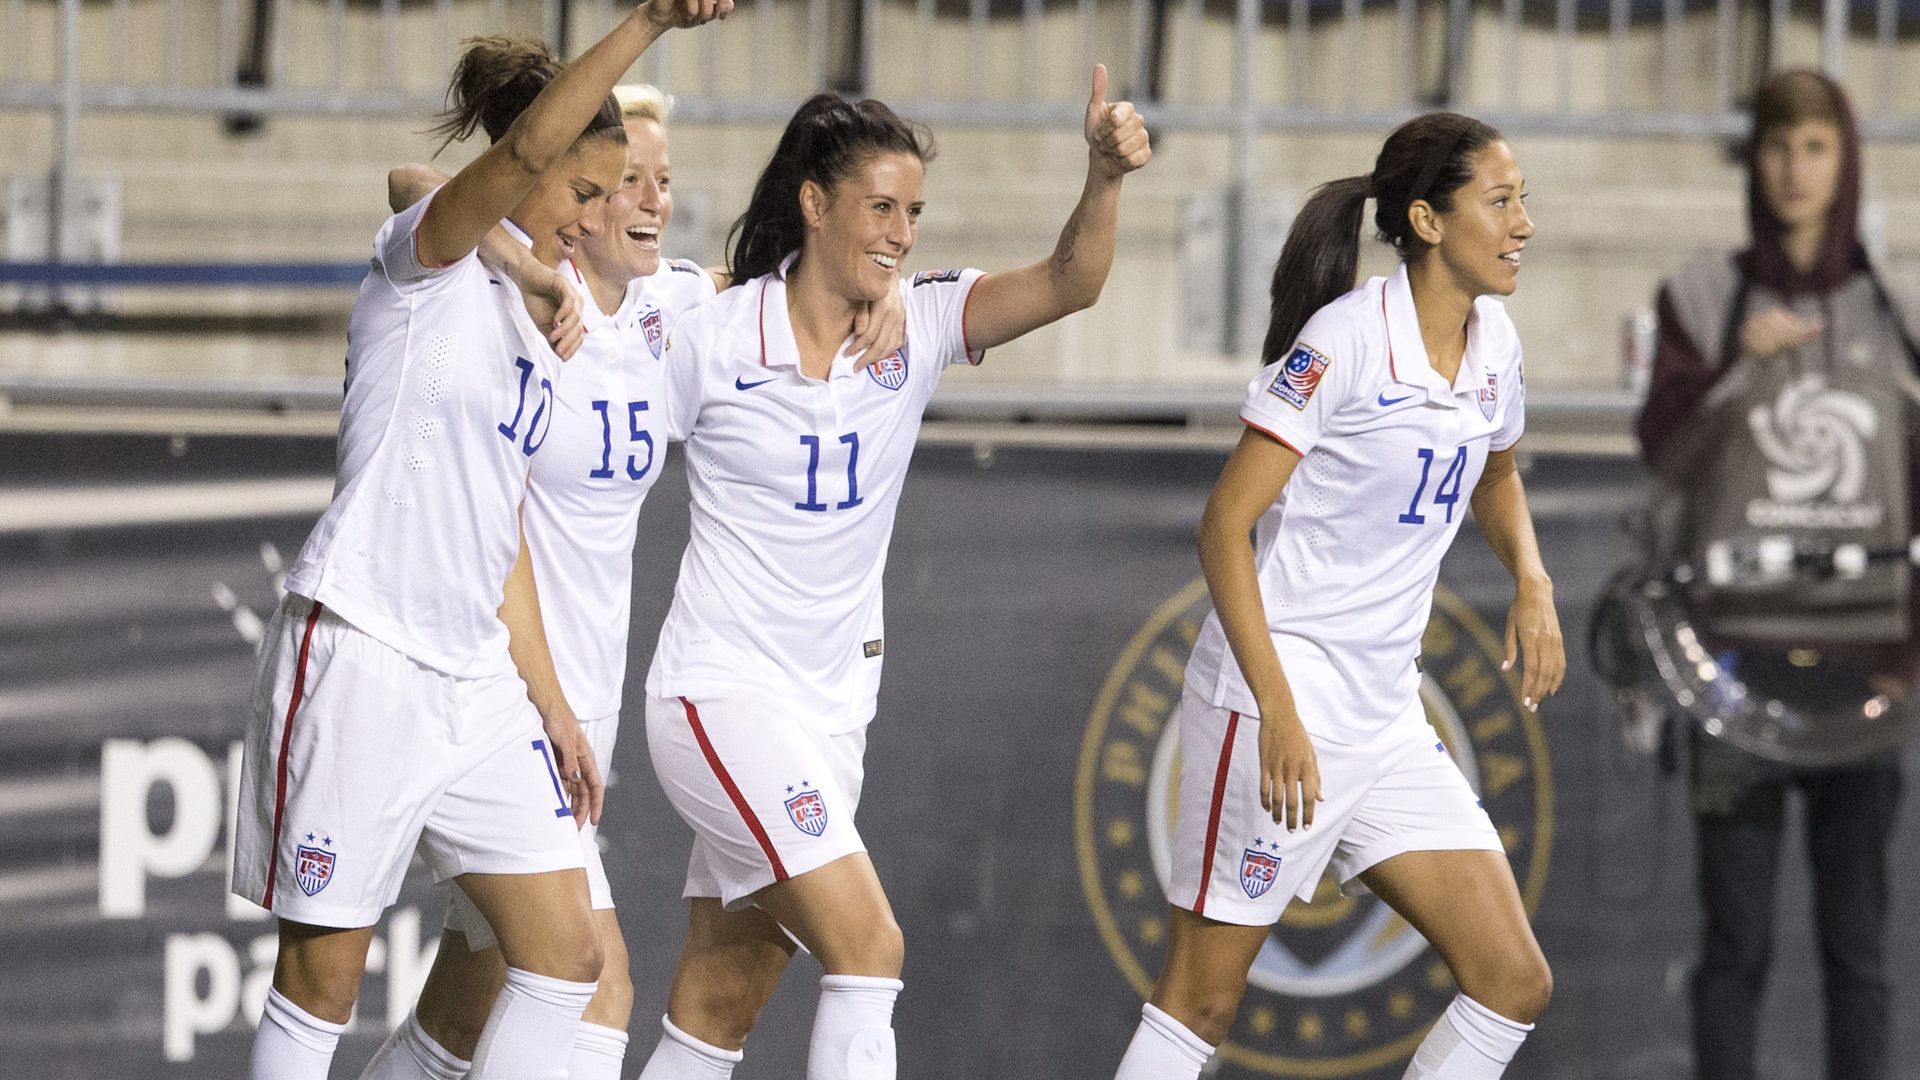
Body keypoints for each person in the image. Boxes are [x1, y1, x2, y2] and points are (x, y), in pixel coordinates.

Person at [362, 81, 905, 1080]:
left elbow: (809, 280)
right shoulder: (513, 302)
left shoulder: (677, 309)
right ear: (581, 194)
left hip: (583, 719)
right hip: (503, 697)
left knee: (471, 1003)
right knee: (590, 986)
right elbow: (412, 182)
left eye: (662, 181)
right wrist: (524, 263)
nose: (651, 202)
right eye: (626, 184)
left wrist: (889, 282)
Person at [227, 6, 730, 1080]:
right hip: (362, 646)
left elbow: (499, 524)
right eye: (582, 191)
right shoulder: (433, 265)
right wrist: (645, 22)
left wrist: (548, 702)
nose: (591, 216)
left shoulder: (543, 324)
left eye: (608, 196)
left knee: (567, 960)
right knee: (320, 984)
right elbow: (453, 171)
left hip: (475, 676)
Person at [633, 66, 1150, 1080]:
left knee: (720, 998)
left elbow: (1072, 281)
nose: (901, 233)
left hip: (829, 715)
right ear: (815, 206)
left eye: (913, 212)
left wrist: (1104, 177)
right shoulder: (712, 336)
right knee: (869, 949)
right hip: (719, 696)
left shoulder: (913, 328)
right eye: (881, 207)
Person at [1111, 112, 1561, 1080]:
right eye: (1502, 200)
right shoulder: (1346, 342)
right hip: (1280, 700)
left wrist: (1532, 576)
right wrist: (1275, 709)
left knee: (1512, 979)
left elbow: (1498, 470)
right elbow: (1222, 526)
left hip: (1385, 715)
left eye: (1523, 199)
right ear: (1428, 221)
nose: (1524, 222)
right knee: (1202, 1000)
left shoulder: (1496, 343)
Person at [1634, 69, 1912, 1080]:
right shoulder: (1700, 300)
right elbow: (1663, 463)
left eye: (1815, 148)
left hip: (1866, 677)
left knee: (1859, 958)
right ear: (1754, 160)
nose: (1795, 170)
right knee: (1735, 950)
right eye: (1777, 147)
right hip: (1733, 673)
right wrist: (1732, 373)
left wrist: (1908, 665)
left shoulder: (1898, 312)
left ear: (1846, 163)